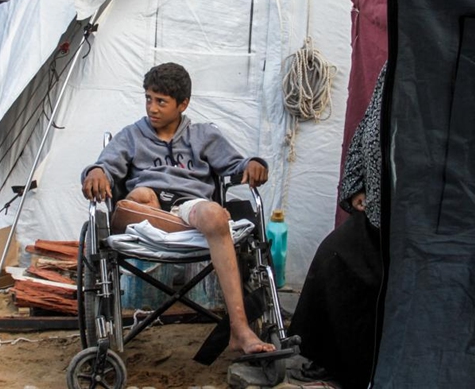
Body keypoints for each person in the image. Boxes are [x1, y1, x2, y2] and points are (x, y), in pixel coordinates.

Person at [81, 62, 275, 355]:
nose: (152, 108)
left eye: (161, 101)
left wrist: (254, 164)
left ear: (182, 104)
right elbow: (106, 165)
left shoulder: (203, 135)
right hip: (145, 210)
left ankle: (240, 329)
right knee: (143, 194)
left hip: (189, 207)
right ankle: (188, 225)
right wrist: (95, 171)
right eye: (148, 98)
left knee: (213, 213)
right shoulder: (131, 136)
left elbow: (236, 165)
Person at [287, 62, 387, 388]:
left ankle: (360, 370)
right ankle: (325, 357)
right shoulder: (394, 65)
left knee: (363, 276)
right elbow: (368, 125)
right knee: (333, 255)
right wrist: (358, 184)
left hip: (410, 217)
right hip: (377, 207)